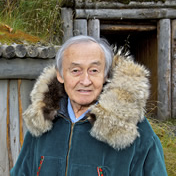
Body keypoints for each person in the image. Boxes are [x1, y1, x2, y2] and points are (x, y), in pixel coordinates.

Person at [10, 35, 167, 176]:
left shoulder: (136, 131)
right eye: (76, 70)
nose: (85, 81)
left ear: (105, 75)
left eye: (94, 70)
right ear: (61, 74)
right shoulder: (42, 123)